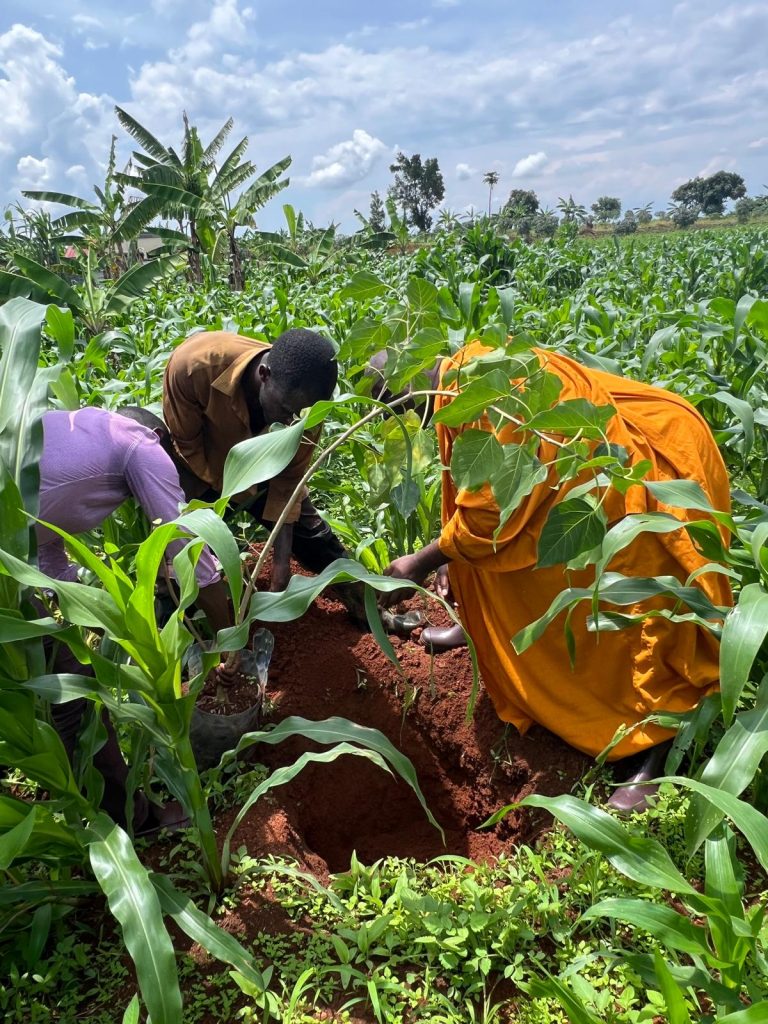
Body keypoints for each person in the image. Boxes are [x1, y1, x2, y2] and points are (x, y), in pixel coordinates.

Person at [382, 341, 732, 812]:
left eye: (399, 407)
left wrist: (420, 562)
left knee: (636, 606)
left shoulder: (482, 394)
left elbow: (492, 518)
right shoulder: (466, 375)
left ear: (412, 381)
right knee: (520, 556)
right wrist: (451, 554)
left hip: (640, 470)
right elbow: (492, 495)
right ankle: (486, 630)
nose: (410, 421)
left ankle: (653, 750)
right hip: (578, 475)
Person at [37, 405, 236, 835]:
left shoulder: (77, 430)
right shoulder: (141, 446)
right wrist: (230, 638)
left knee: (42, 677)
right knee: (75, 698)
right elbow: (188, 552)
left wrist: (88, 614)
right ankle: (131, 819)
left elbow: (43, 548)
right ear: (161, 440)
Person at [163, 328, 362, 611]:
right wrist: (225, 499)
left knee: (318, 540)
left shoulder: (307, 413)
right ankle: (184, 622)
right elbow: (186, 447)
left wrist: (281, 567)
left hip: (268, 471)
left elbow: (288, 484)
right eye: (285, 409)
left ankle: (367, 606)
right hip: (201, 469)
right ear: (264, 375)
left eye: (299, 417)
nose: (291, 421)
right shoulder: (194, 367)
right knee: (183, 550)